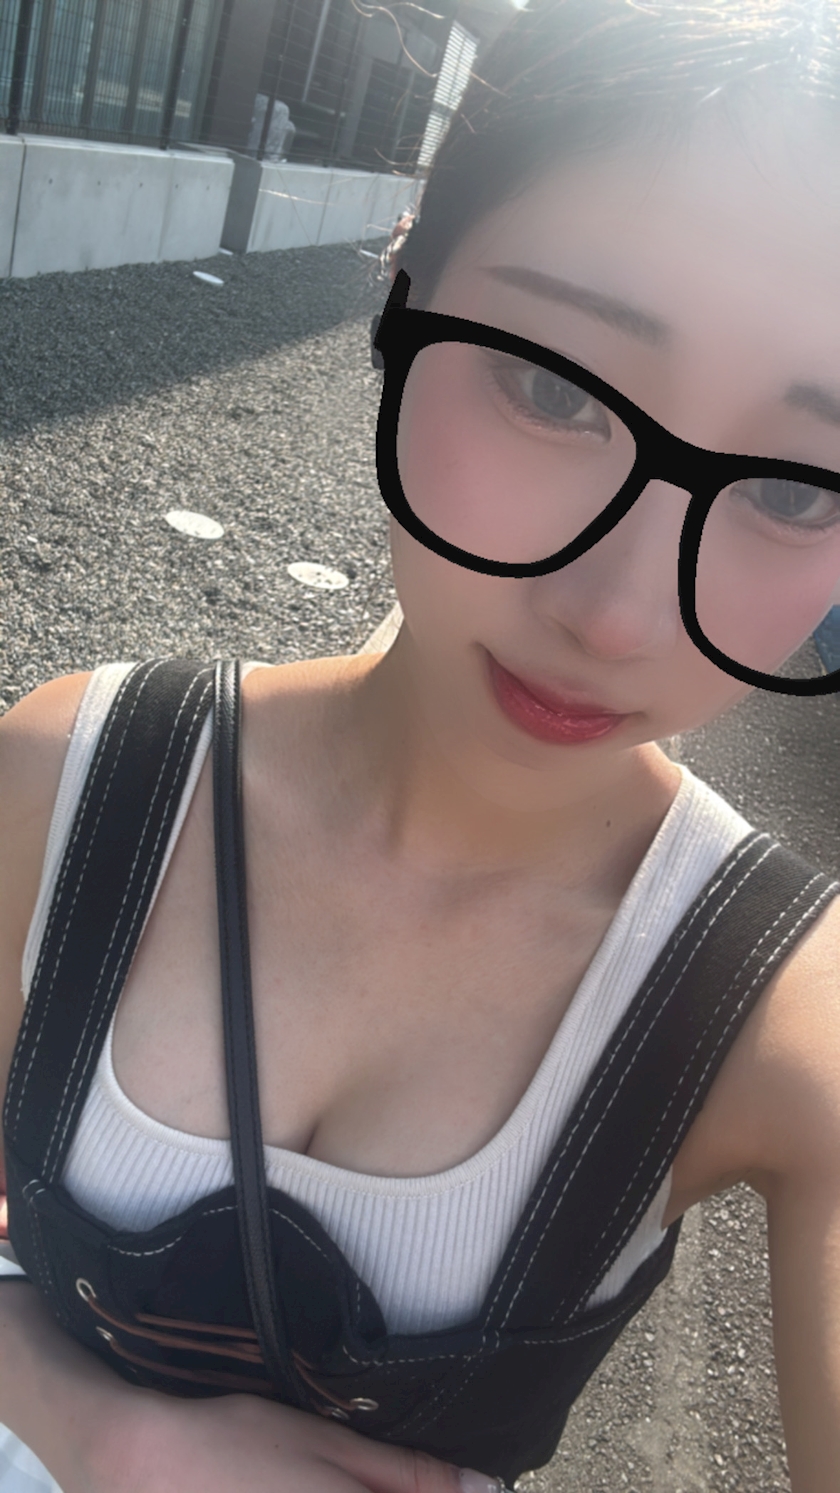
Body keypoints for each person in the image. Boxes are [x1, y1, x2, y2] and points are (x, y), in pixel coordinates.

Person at [0, 2, 839, 1491]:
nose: (618, 614)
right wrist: (104, 1432)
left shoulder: (785, 1006)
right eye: (555, 390)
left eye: (796, 490)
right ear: (398, 307)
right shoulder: (69, 775)